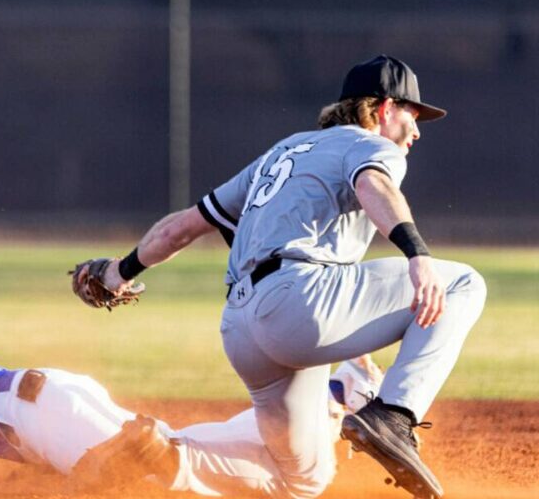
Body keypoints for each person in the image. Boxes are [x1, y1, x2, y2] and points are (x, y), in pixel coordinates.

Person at [70, 55, 486, 498]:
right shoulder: (372, 146)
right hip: (301, 304)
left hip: (242, 330)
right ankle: (395, 416)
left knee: (303, 479)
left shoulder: (284, 150)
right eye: (412, 113)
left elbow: (184, 226)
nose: (417, 130)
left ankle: (160, 453)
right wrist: (416, 255)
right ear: (384, 109)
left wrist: (119, 272)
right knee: (464, 283)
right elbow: (373, 186)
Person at [0, 218, 382, 492]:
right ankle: (333, 398)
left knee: (171, 478)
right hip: (42, 405)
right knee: (176, 445)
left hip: (37, 415)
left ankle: (335, 395)